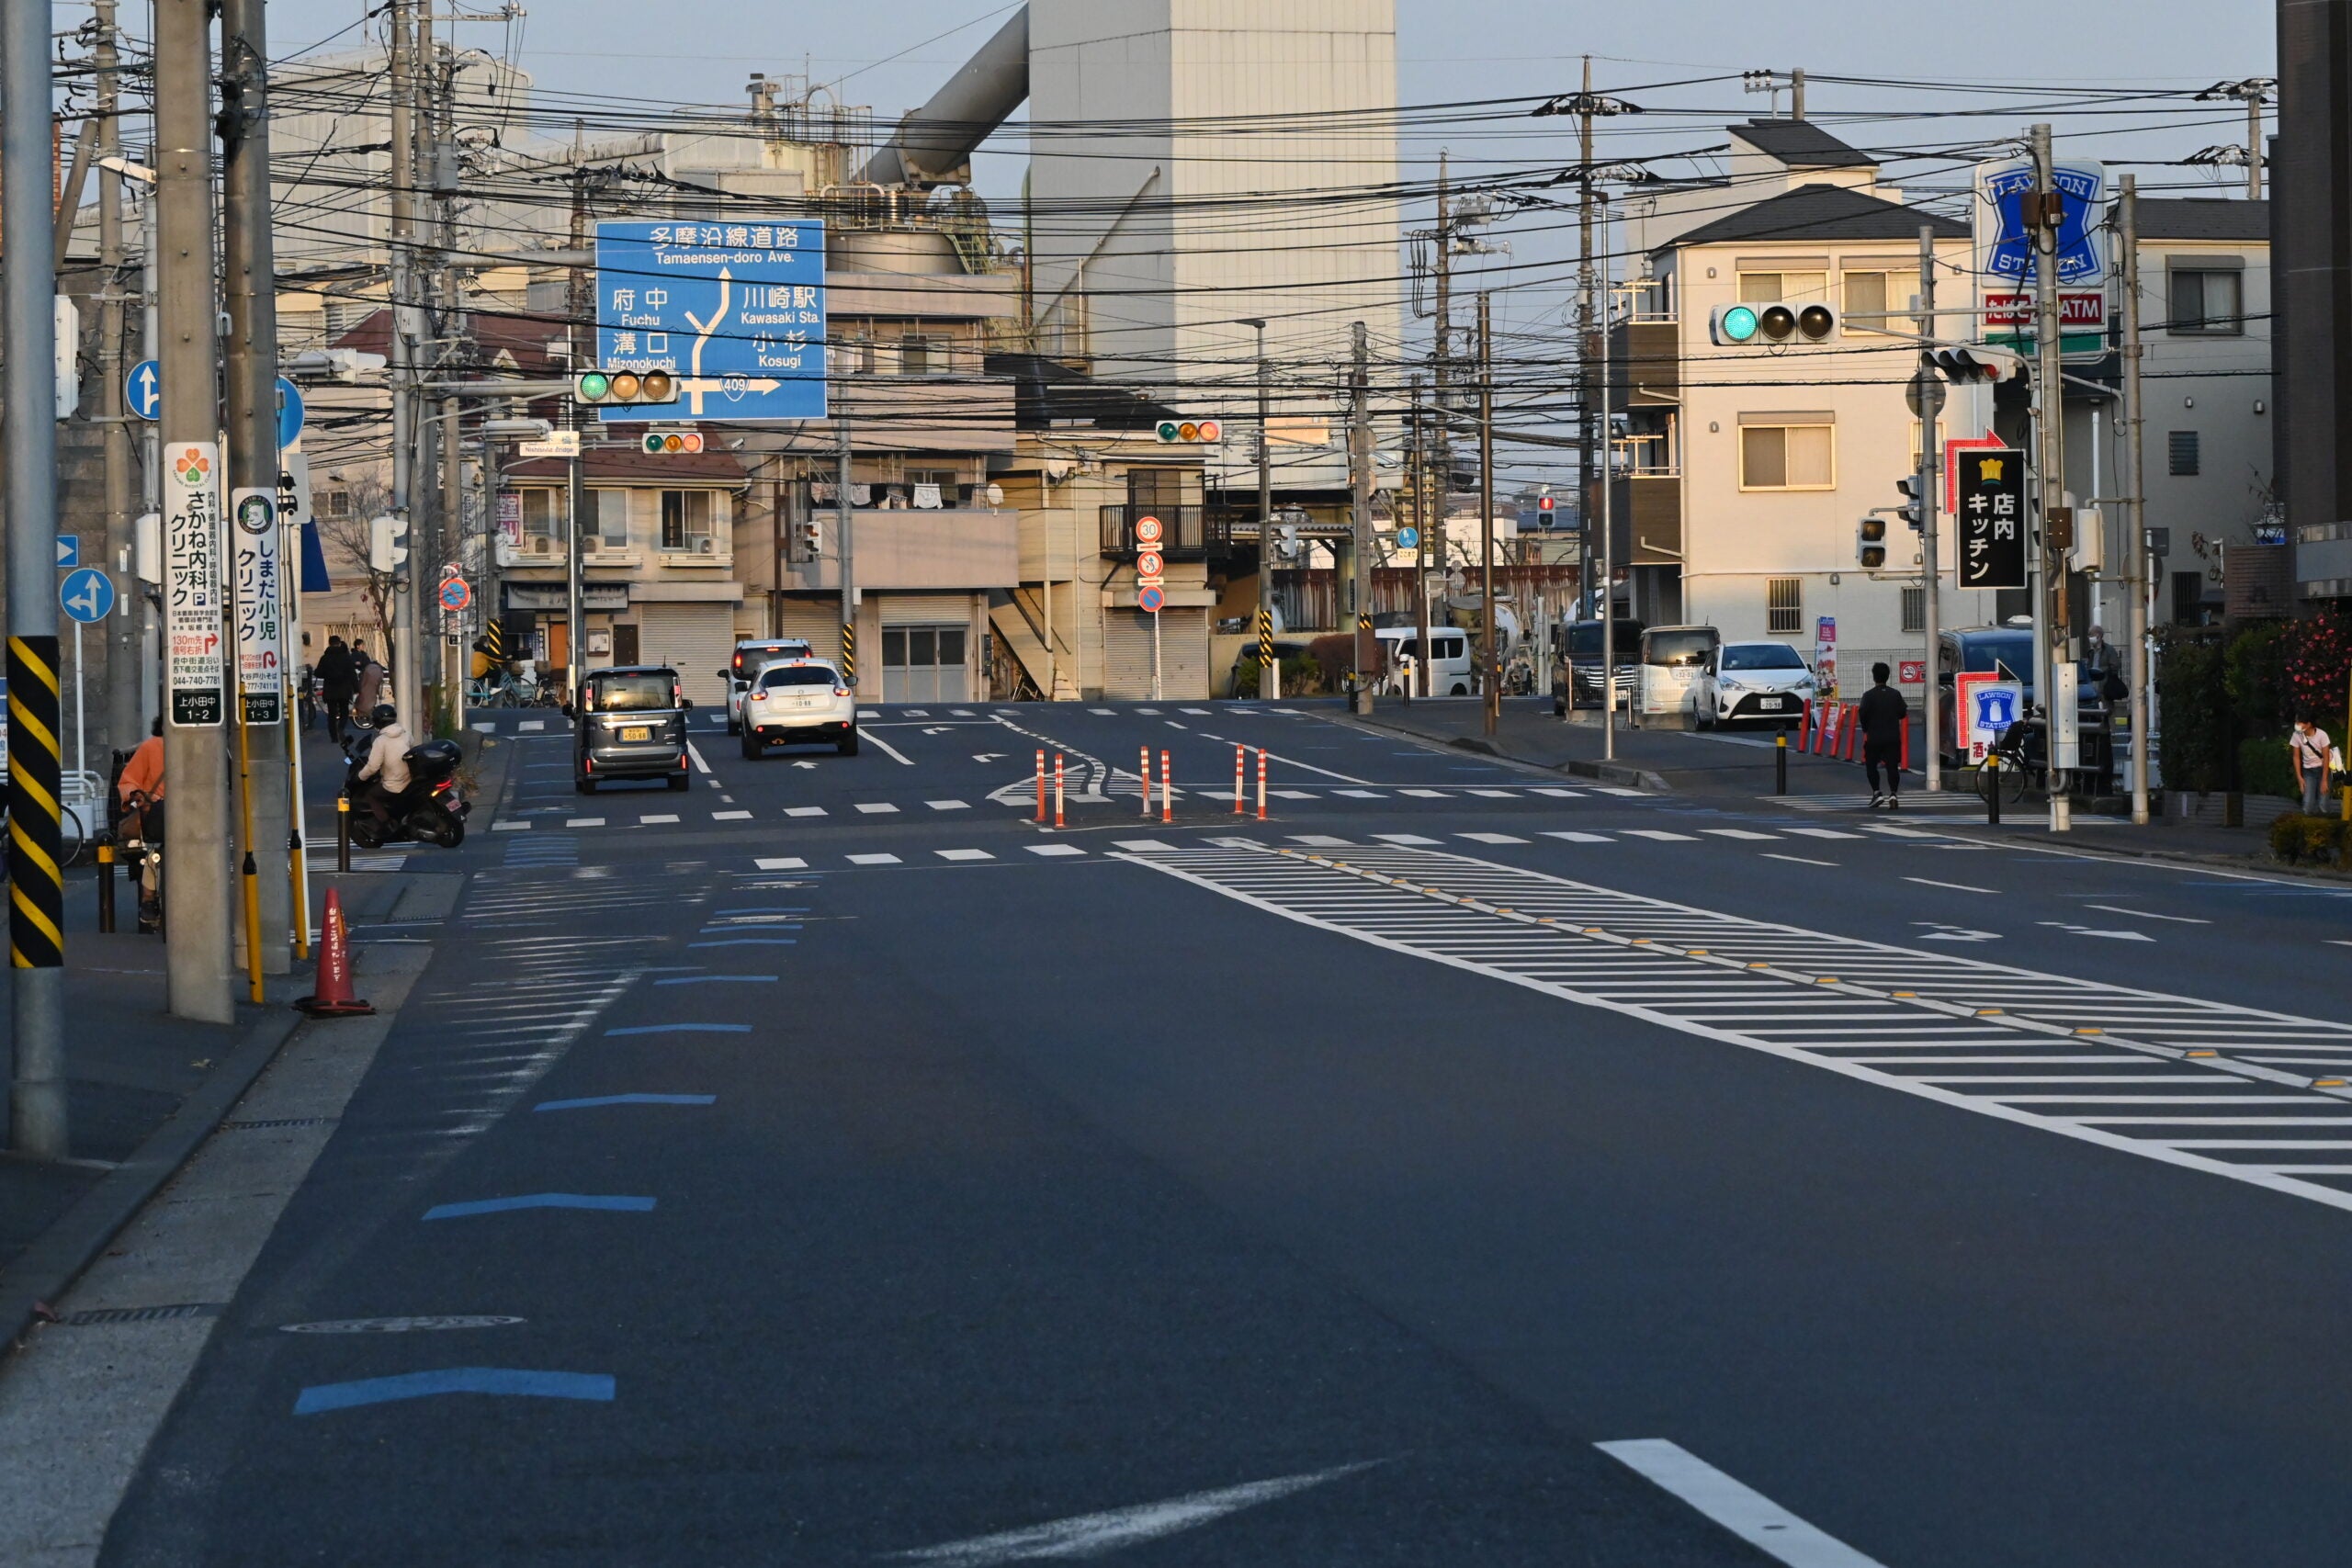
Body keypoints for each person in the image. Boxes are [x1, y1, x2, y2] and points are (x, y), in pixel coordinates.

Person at [116, 718, 166, 932]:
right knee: (155, 853)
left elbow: (128, 782)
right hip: (161, 813)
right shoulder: (152, 747)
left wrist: (137, 798)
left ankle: (148, 901)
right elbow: (129, 783)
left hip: (157, 810)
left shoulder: (150, 747)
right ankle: (148, 898)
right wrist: (139, 798)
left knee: (154, 855)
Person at [1857, 660, 1909, 810]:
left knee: (1871, 765)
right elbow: (1902, 713)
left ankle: (1877, 792)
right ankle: (1893, 794)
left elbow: (1863, 714)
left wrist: (1866, 728)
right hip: (1892, 736)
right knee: (1892, 766)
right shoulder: (1895, 694)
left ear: (1874, 677)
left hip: (1874, 736)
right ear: (1888, 676)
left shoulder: (1868, 696)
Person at [354, 703, 413, 819]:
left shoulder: (381, 741)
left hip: (394, 783)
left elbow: (373, 767)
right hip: (409, 778)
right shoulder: (406, 734)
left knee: (371, 796)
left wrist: (359, 777)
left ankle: (386, 824)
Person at [316, 635, 356, 742]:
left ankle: (334, 738)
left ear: (329, 643)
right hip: (344, 689)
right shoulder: (346, 658)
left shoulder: (325, 658)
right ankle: (341, 728)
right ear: (339, 643)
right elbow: (352, 674)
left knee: (332, 715)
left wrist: (328, 674)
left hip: (330, 690)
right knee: (344, 712)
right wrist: (357, 688)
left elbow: (318, 673)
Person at [2292, 717, 2335, 815]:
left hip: (2323, 769)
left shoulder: (2322, 735)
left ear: (2308, 724)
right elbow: (2296, 757)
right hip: (2308, 771)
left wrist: (2324, 779)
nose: (2297, 724)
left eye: (2300, 722)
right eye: (2296, 721)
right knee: (2307, 805)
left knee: (2323, 804)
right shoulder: (2296, 735)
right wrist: (2299, 778)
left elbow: (2326, 757)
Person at [353, 645, 386, 718]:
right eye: (362, 645)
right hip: (366, 678)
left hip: (364, 678)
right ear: (358, 646)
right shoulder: (356, 654)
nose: (363, 646)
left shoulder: (362, 654)